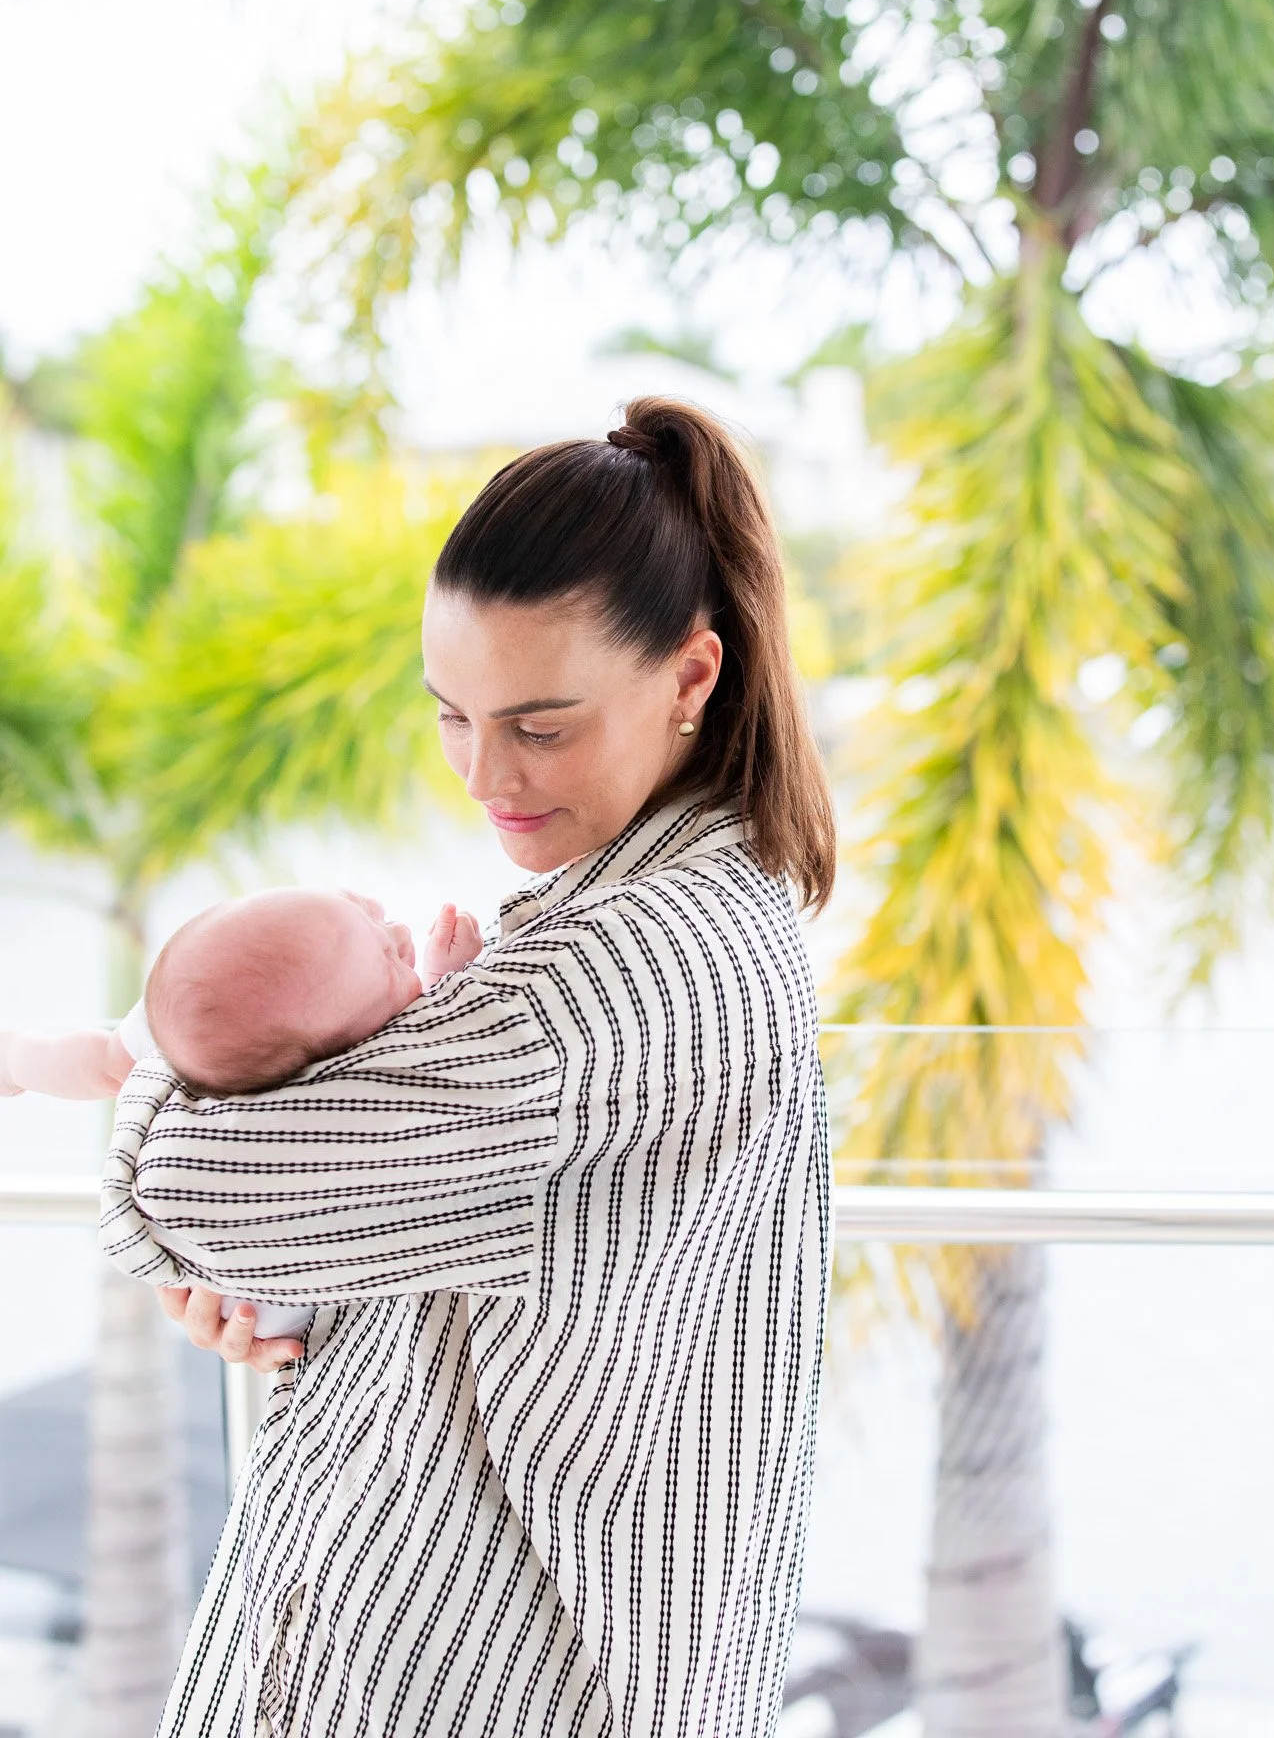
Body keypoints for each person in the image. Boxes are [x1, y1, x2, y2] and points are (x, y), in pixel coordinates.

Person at [98, 396, 836, 1738]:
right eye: (452, 717)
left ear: (692, 676)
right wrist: (300, 1283)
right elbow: (522, 1276)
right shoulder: (686, 919)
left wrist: (184, 1072)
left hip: (451, 1675)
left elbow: (172, 1187)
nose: (485, 778)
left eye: (540, 727)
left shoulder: (603, 979)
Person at [2, 889, 482, 1335]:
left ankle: (17, 1058)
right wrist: (445, 979)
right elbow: (427, 1045)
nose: (401, 934)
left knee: (102, 1058)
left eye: (368, 914)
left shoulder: (218, 1017)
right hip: (264, 1293)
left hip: (229, 1273)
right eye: (391, 960)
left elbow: (103, 1064)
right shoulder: (358, 1065)